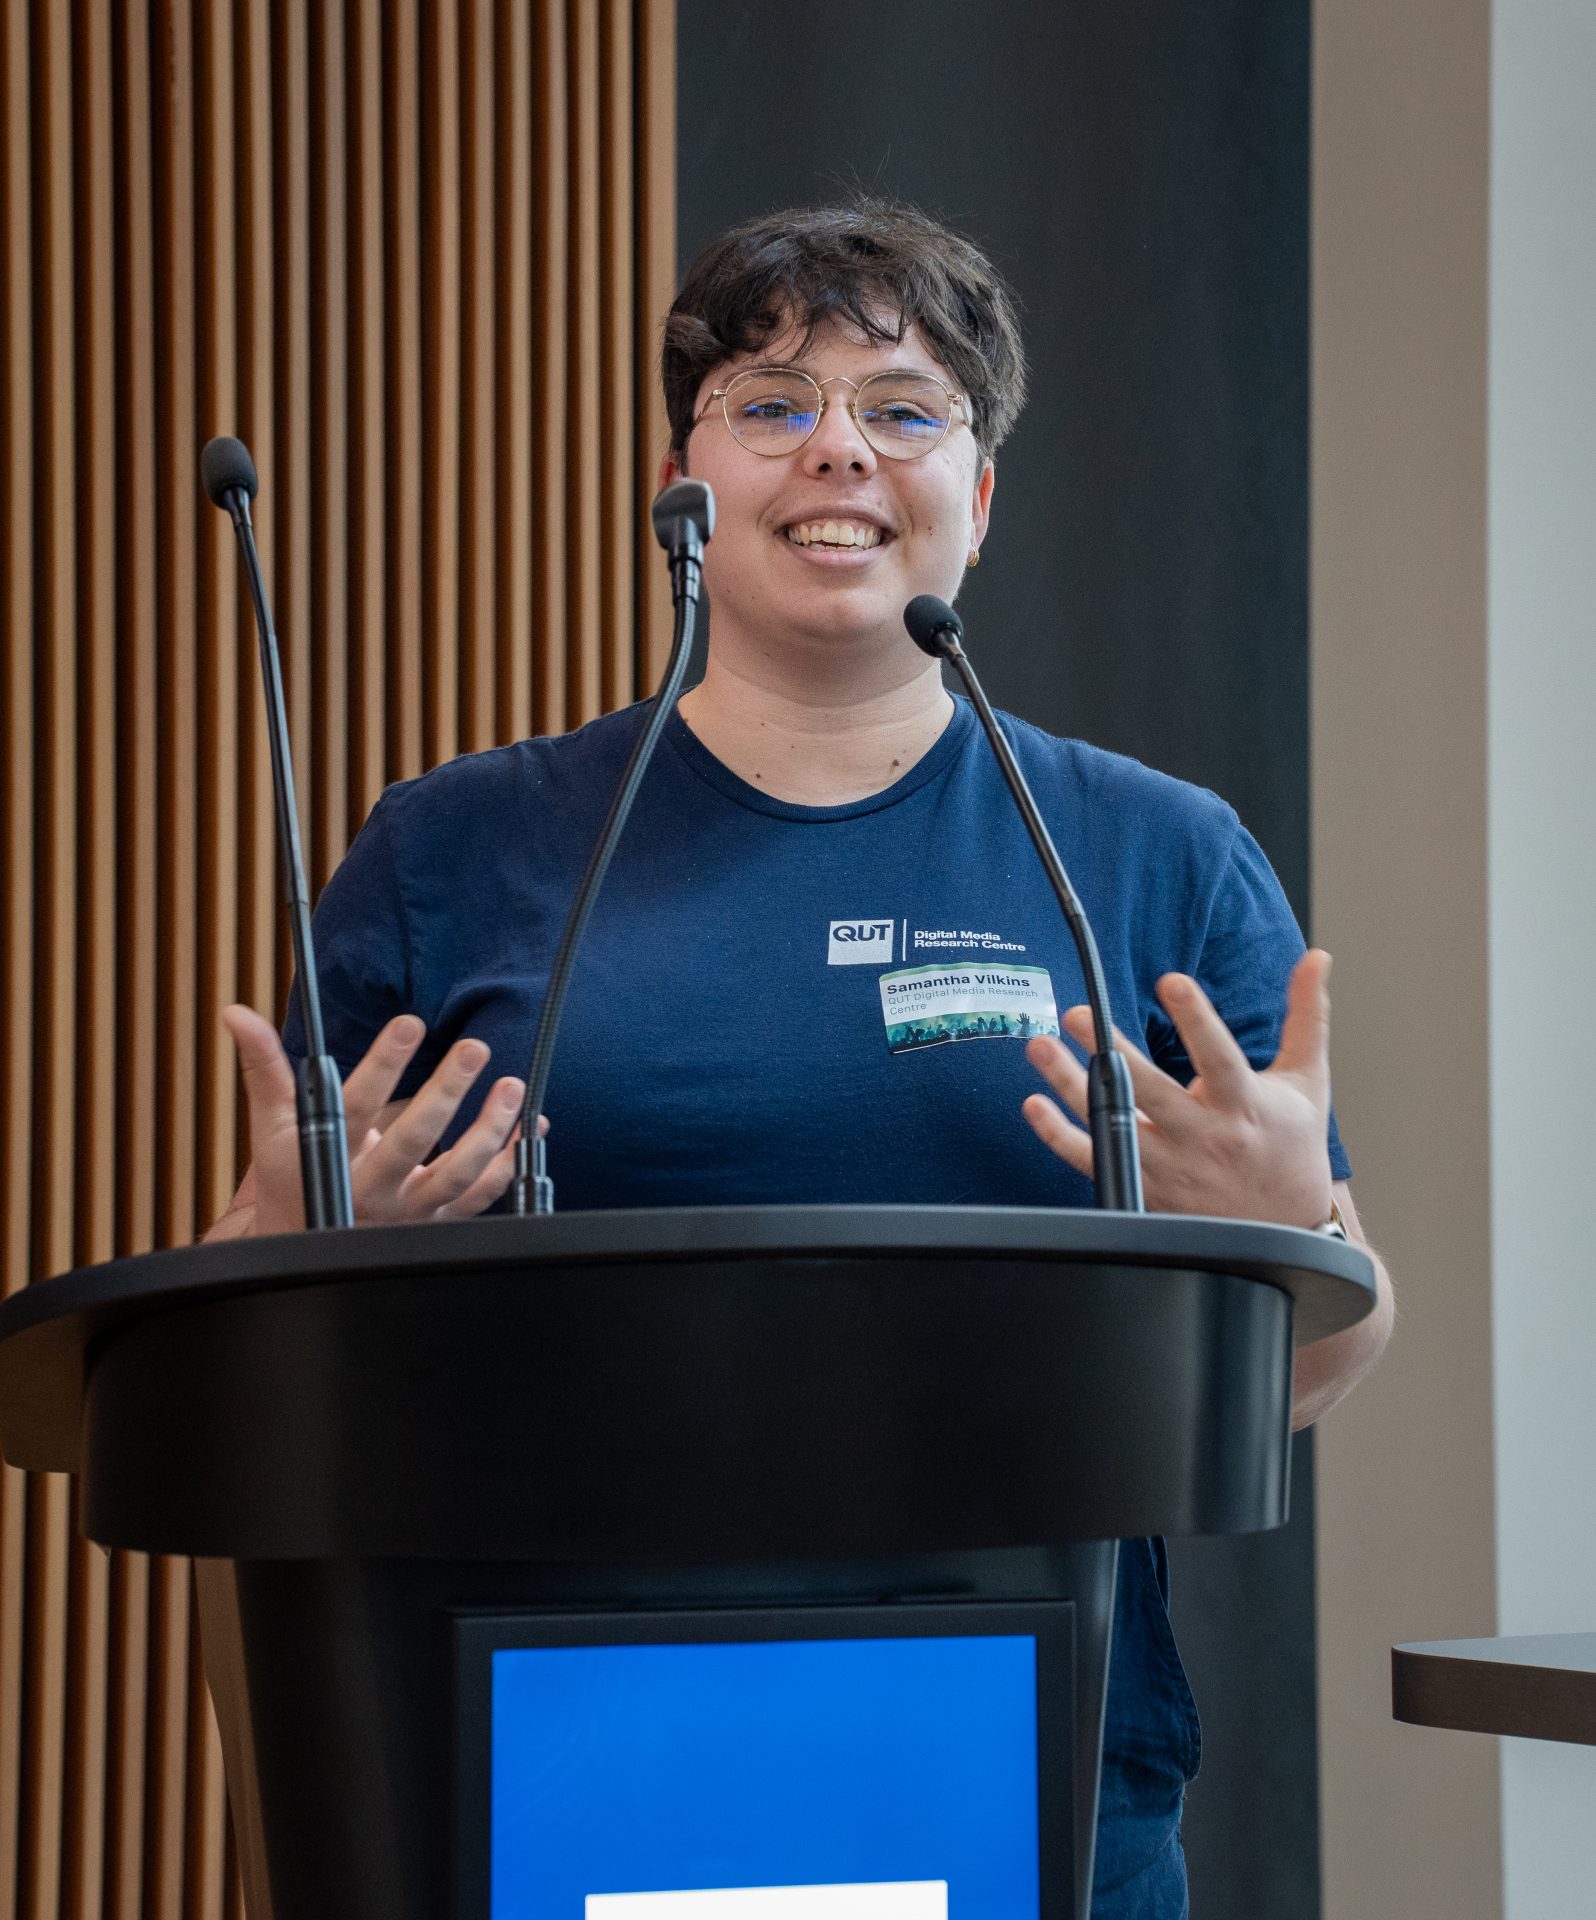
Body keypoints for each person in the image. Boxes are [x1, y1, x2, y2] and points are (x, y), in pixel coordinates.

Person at [207, 198, 1394, 1916]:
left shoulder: (1148, 852)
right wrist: (266, 1265)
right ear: (681, 493)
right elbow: (266, 1365)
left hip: (1037, 1763)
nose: (835, 445)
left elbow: (1317, 1367)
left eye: (904, 409)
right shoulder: (455, 848)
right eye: (770, 402)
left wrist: (1303, 1251)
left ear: (975, 501)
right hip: (545, 1743)